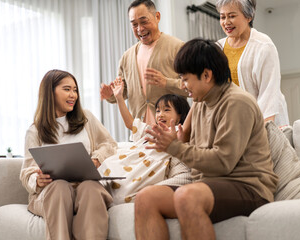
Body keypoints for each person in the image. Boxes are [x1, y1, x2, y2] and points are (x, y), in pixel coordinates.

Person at [134, 39, 278, 240]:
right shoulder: (201, 103)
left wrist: (175, 147)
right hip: (208, 185)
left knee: (187, 196)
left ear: (207, 75)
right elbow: (190, 146)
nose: (183, 87)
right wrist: (177, 140)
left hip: (248, 187)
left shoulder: (237, 102)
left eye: (185, 79)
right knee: (145, 198)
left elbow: (222, 162)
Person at [20, 69, 117, 240]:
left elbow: (109, 144)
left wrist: (96, 158)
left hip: (85, 186)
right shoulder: (34, 131)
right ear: (50, 93)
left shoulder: (86, 118)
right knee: (59, 187)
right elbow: (26, 172)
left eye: (75, 90)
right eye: (67, 89)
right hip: (53, 192)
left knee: (90, 188)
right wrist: (37, 180)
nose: (73, 95)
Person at [99, 77, 192, 205]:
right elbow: (130, 123)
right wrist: (119, 97)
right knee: (105, 168)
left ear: (180, 115)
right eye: (158, 110)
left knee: (121, 191)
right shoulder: (151, 129)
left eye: (166, 109)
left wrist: (197, 99)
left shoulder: (179, 131)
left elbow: (187, 130)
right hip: (129, 163)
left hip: (145, 172)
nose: (160, 114)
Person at [100, 0, 187, 126]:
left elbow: (193, 88)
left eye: (144, 22)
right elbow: (123, 93)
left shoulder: (178, 48)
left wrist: (167, 82)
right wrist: (110, 95)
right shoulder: (126, 57)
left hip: (172, 132)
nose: (140, 29)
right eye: (134, 24)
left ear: (157, 17)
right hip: (140, 132)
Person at [216, 0, 289, 126]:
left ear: (248, 16)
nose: (226, 22)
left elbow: (269, 91)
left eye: (232, 16)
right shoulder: (218, 47)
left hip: (265, 121)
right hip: (235, 121)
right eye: (223, 17)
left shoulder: (263, 45)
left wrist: (263, 128)